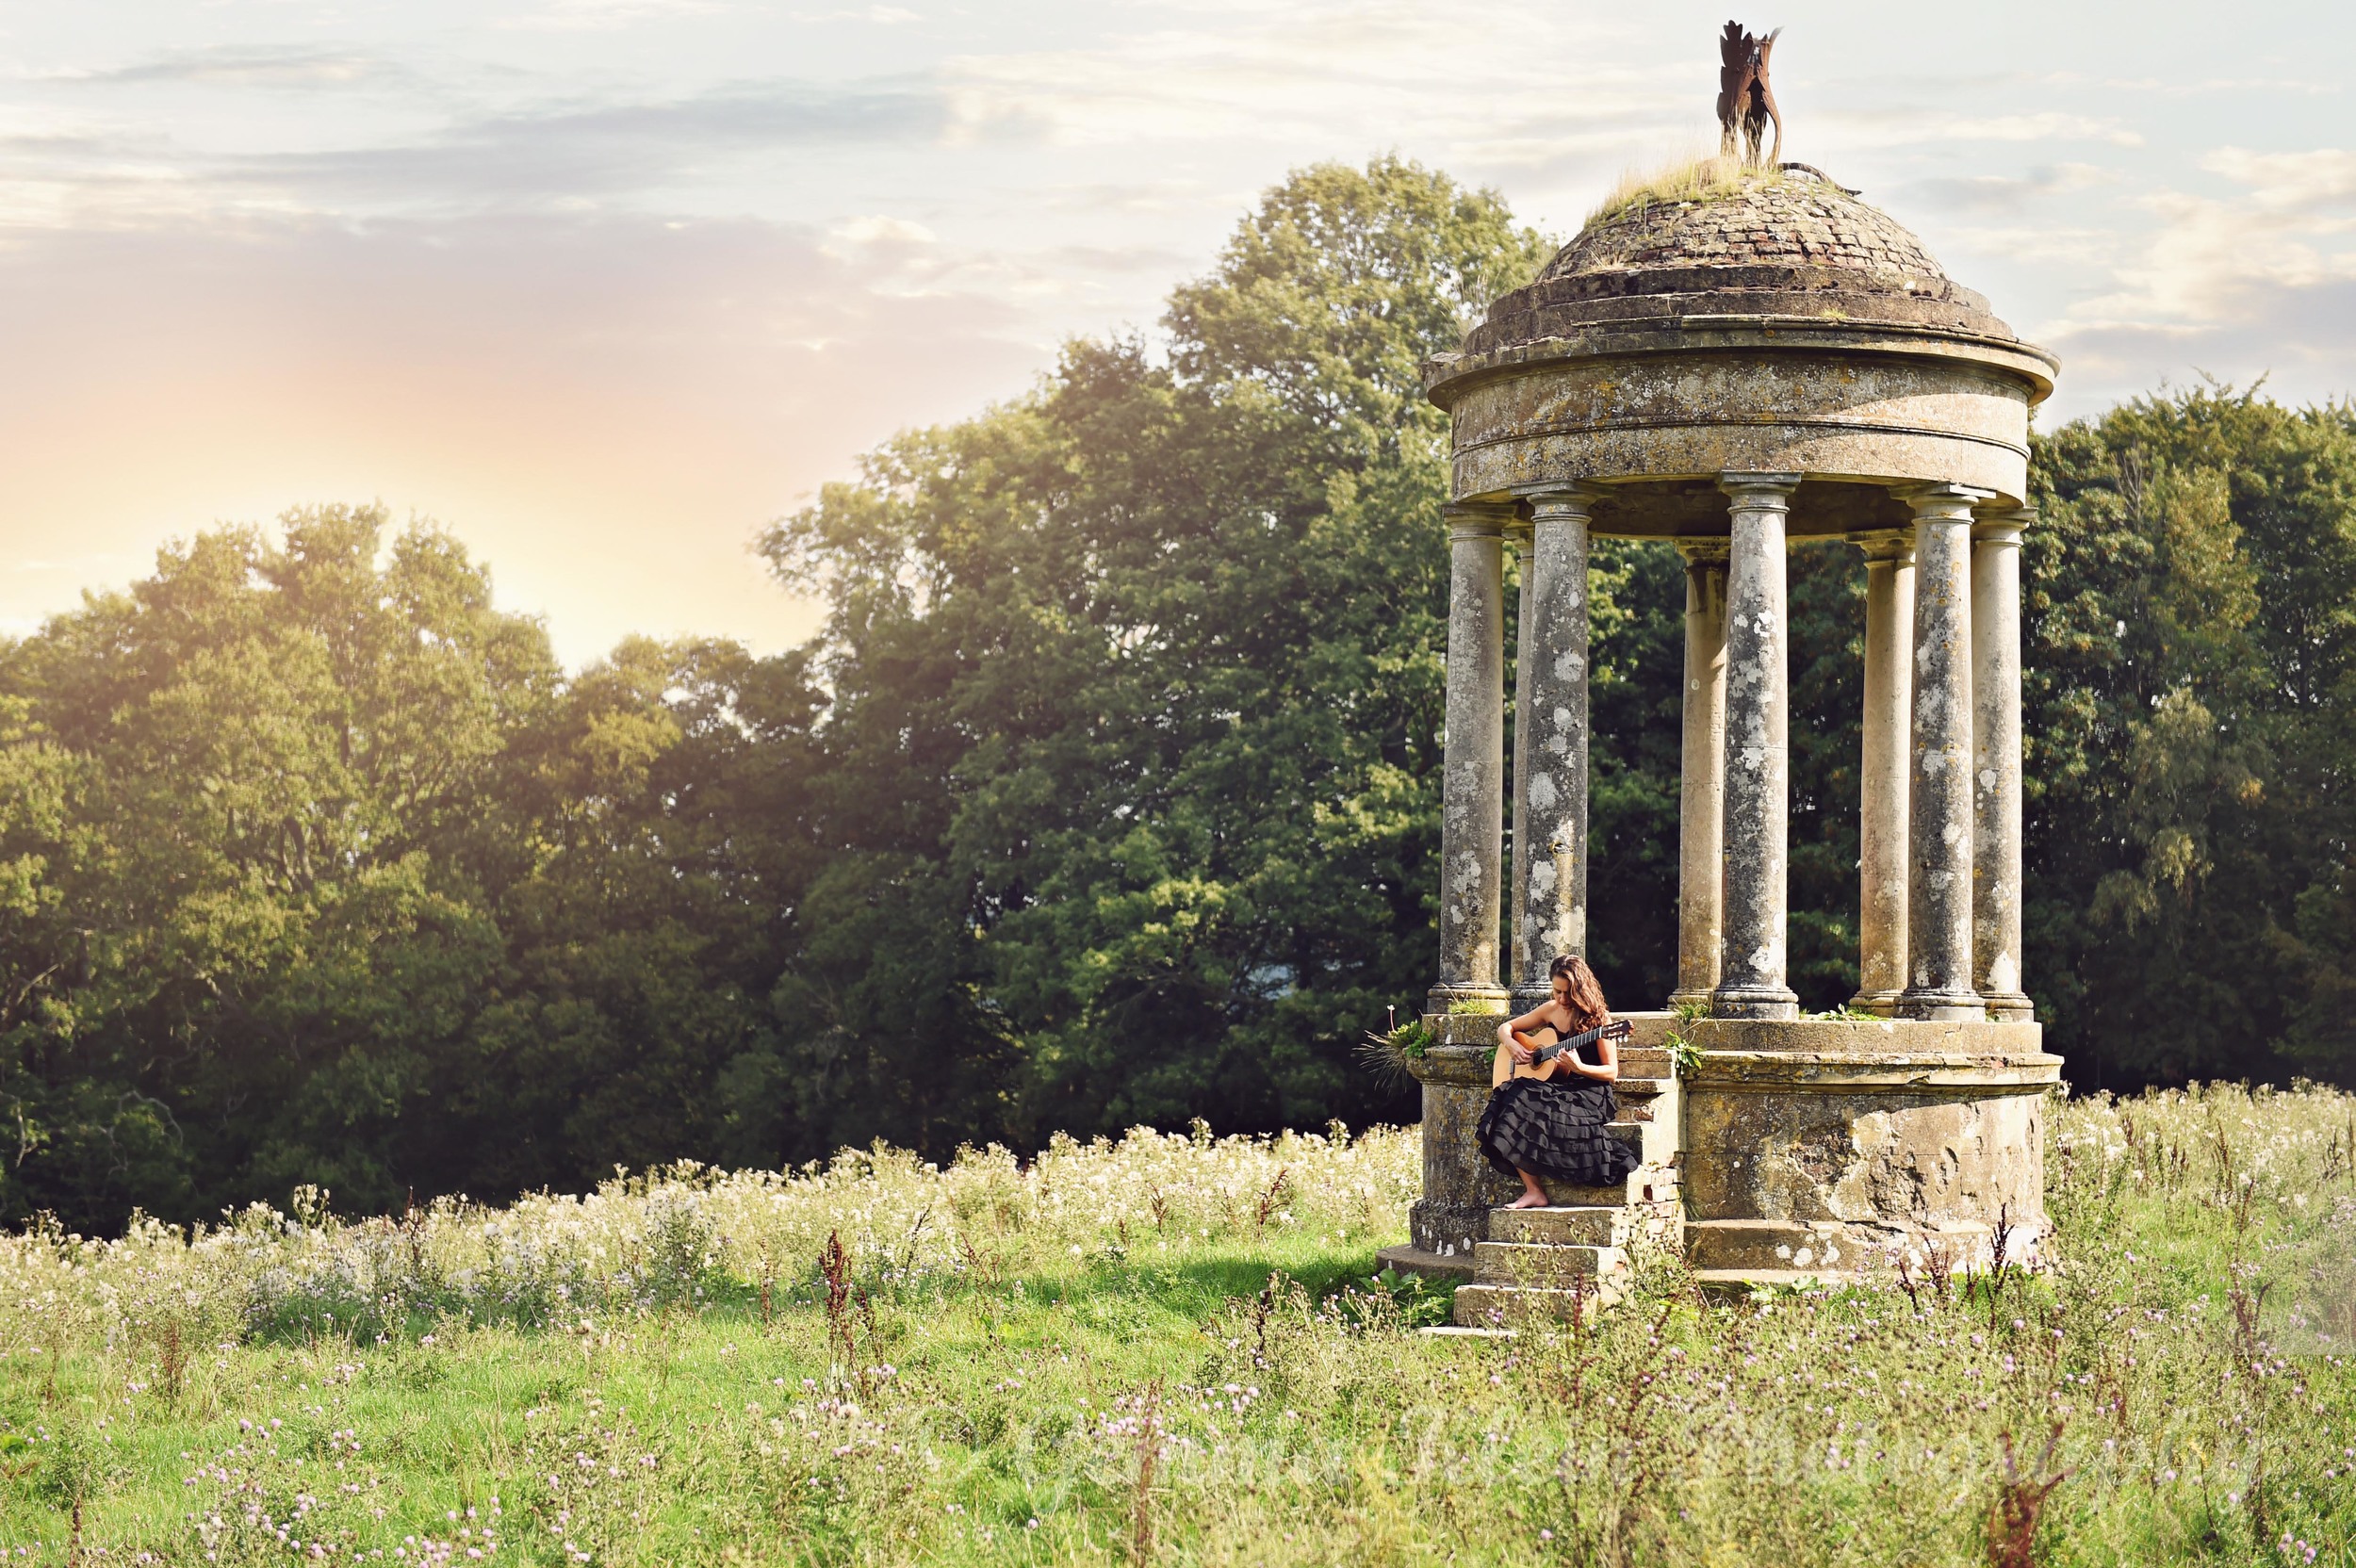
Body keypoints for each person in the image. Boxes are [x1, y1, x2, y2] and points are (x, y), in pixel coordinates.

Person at [1476, 954, 1640, 1209]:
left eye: (1567, 993)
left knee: (1521, 1098)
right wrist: (1511, 1045)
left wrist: (1580, 1067)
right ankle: (1534, 1191)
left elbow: (1611, 1072)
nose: (1562, 999)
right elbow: (1505, 1028)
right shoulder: (1551, 1009)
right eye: (1557, 991)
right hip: (1557, 1087)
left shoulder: (1600, 1020)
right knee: (1509, 1094)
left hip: (1588, 1091)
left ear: (1580, 989)